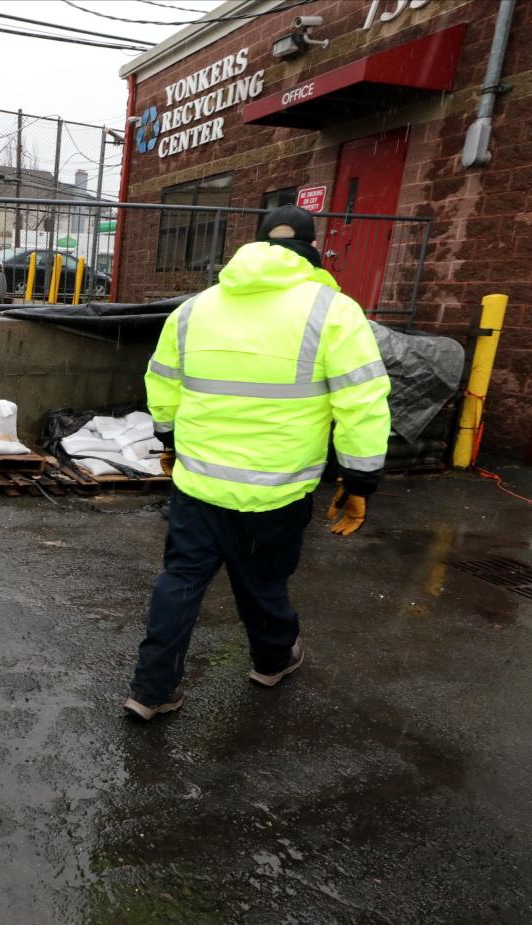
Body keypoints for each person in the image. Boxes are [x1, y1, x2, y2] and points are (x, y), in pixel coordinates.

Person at [125, 204, 391, 722]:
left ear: (255, 243)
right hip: (277, 489)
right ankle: (272, 660)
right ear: (313, 247)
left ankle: (151, 689)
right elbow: (362, 401)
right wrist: (359, 480)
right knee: (263, 581)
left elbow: (163, 382)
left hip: (199, 484)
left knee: (179, 581)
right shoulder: (332, 310)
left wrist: (170, 441)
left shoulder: (197, 308)